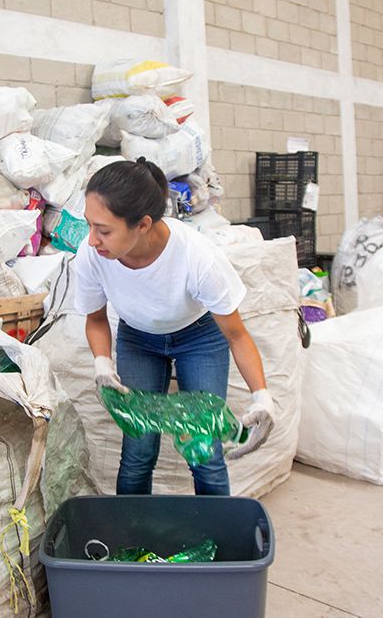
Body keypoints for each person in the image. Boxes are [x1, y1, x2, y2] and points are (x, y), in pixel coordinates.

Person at [73, 158, 275, 496]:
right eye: (89, 226)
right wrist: (102, 363)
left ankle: (217, 538)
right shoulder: (92, 255)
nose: (93, 240)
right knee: (138, 449)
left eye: (104, 230)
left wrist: (262, 397)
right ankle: (133, 540)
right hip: (138, 339)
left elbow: (237, 336)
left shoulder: (197, 258)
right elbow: (95, 320)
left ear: (143, 224)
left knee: (206, 450)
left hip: (199, 337)